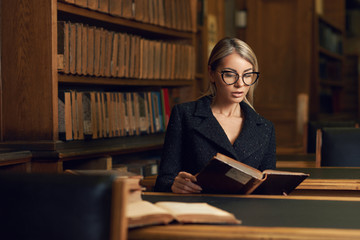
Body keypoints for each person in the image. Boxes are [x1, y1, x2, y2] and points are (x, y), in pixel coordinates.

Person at [154, 37, 276, 193]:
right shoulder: (184, 115)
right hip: (200, 211)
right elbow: (164, 180)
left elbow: (267, 184)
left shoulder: (265, 128)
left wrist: (276, 190)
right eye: (230, 74)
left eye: (247, 75)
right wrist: (174, 185)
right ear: (211, 73)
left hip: (247, 213)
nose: (240, 84)